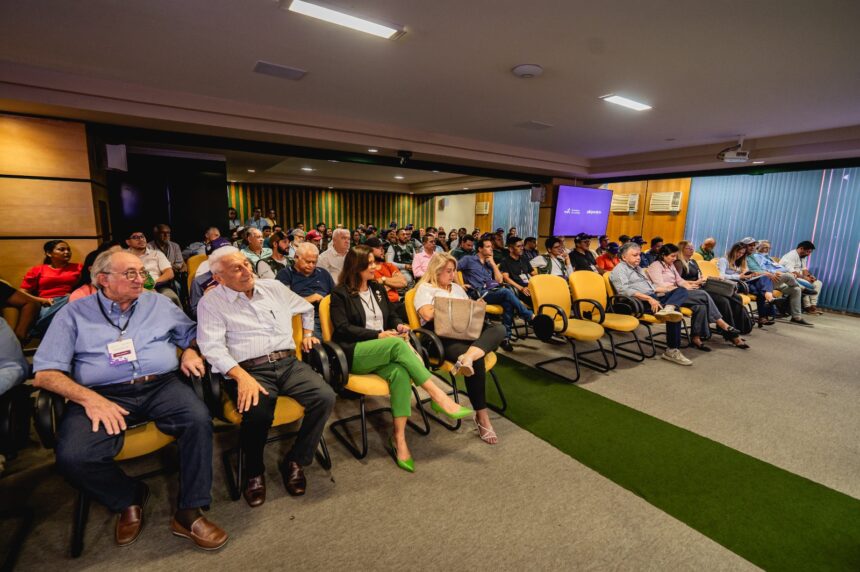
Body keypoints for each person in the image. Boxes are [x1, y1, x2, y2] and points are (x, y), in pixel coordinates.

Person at [32, 250, 227, 550]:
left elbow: (192, 334)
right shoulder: (74, 314)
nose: (142, 279)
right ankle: (129, 496)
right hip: (101, 394)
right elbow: (45, 374)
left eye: (142, 272)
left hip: (159, 385)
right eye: (131, 274)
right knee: (73, 457)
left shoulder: (159, 303)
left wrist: (190, 350)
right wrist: (89, 399)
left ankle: (189, 511)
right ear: (103, 280)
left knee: (198, 420)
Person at [197, 249, 335, 507]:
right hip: (249, 369)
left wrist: (306, 334)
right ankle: (254, 472)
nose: (247, 270)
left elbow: (306, 308)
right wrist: (240, 376)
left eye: (246, 264)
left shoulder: (273, 287)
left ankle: (296, 459)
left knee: (325, 397)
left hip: (288, 362)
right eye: (237, 268)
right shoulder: (212, 302)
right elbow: (211, 347)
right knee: (258, 413)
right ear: (219, 277)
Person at [329, 246, 473, 472]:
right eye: (371, 263)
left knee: (400, 373)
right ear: (356, 268)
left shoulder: (377, 288)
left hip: (385, 350)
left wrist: (398, 325)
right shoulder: (340, 294)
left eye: (375, 262)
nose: (376, 266)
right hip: (355, 353)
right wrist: (377, 335)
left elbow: (392, 313)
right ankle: (437, 395)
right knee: (396, 344)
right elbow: (342, 329)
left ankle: (399, 439)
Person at [414, 254, 505, 442]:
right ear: (436, 271)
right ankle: (482, 417)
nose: (453, 274)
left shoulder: (456, 288)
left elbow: (468, 310)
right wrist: (458, 307)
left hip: (464, 329)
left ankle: (468, 357)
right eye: (448, 271)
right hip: (440, 336)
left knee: (499, 328)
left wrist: (475, 307)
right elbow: (426, 314)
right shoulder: (425, 288)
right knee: (479, 358)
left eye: (454, 270)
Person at [648, 244, 746, 350]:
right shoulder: (655, 266)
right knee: (703, 294)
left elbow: (680, 281)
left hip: (678, 293)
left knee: (701, 306)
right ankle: (722, 323)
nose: (675, 259)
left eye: (676, 256)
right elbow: (659, 286)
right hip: (667, 296)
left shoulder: (670, 265)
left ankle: (696, 338)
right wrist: (679, 288)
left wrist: (688, 286)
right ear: (663, 255)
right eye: (672, 256)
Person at [610, 242, 691, 365]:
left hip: (652, 297)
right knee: (675, 313)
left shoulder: (638, 268)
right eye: (634, 255)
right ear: (624, 257)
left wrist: (670, 289)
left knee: (681, 290)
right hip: (637, 302)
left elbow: (651, 287)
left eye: (639, 255)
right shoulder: (619, 270)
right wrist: (648, 298)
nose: (638, 257)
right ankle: (672, 350)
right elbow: (624, 290)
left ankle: (669, 307)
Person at [458, 237, 534, 351]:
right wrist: (460, 285)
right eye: (488, 247)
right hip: (478, 293)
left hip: (492, 291)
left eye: (491, 246)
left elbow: (499, 280)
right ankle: (529, 315)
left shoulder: (489, 263)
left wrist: (493, 264)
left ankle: (506, 338)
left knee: (507, 302)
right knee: (506, 292)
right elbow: (453, 268)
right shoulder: (468, 259)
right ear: (480, 249)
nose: (491, 249)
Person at [676, 240, 748, 332]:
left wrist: (711, 278)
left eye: (692, 248)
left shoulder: (693, 261)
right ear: (681, 249)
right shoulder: (678, 263)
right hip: (691, 289)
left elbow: (700, 275)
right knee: (723, 301)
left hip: (701, 286)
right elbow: (677, 281)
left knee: (735, 296)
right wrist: (695, 282)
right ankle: (729, 332)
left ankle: (737, 327)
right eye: (688, 248)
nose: (692, 250)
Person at [741, 237, 812, 326]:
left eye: (768, 248)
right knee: (787, 276)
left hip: (773, 279)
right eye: (764, 247)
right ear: (759, 248)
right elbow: (758, 270)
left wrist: (781, 272)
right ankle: (803, 288)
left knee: (796, 290)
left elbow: (777, 267)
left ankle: (796, 317)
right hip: (765, 279)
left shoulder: (767, 258)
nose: (767, 249)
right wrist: (774, 273)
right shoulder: (756, 256)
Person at [21, 239, 83, 337]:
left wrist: (75, 294)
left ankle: (34, 331)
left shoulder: (78, 268)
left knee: (68, 302)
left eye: (68, 249)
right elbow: (22, 292)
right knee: (53, 314)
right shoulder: (38, 270)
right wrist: (41, 300)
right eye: (61, 250)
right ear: (49, 253)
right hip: (47, 302)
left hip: (69, 300)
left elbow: (88, 285)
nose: (67, 252)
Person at [276, 243, 335, 338]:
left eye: (314, 262)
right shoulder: (284, 275)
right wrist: (309, 299)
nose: (311, 265)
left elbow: (335, 296)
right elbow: (282, 304)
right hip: (299, 318)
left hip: (328, 314)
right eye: (308, 262)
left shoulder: (323, 273)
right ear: (296, 257)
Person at [718, 242, 779, 327]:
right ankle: (768, 303)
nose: (740, 255)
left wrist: (751, 274)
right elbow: (721, 276)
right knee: (762, 292)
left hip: (744, 282)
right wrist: (739, 276)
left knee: (765, 276)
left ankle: (769, 298)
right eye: (738, 252)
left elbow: (745, 272)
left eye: (742, 253)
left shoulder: (741, 261)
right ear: (733, 251)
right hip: (732, 284)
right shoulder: (724, 260)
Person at [125, 230, 181, 306]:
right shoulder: (123, 256)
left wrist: (154, 283)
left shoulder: (156, 254)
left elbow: (169, 273)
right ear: (128, 242)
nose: (141, 239)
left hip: (158, 286)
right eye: (135, 237)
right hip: (133, 288)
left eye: (142, 236)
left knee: (171, 297)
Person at [189, 239, 232, 318]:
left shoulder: (241, 273)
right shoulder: (199, 281)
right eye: (222, 254)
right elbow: (195, 313)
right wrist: (205, 300)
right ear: (211, 257)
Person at [780, 240, 824, 314]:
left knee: (818, 283)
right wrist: (805, 278)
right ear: (801, 248)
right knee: (806, 284)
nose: (809, 254)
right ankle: (807, 307)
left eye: (810, 252)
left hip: (800, 276)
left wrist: (809, 276)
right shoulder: (791, 256)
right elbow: (792, 271)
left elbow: (804, 269)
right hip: (790, 277)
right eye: (808, 252)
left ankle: (813, 306)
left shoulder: (803, 256)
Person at [365, 238, 407, 304]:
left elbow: (403, 282)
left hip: (396, 303)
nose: (383, 251)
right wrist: (392, 282)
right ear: (369, 250)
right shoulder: (366, 268)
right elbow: (373, 288)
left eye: (383, 248)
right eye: (379, 248)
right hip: (379, 304)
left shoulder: (388, 265)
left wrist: (383, 280)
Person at [499, 236, 533, 306]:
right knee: (536, 298)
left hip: (530, 285)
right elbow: (506, 278)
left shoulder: (524, 259)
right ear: (511, 249)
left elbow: (533, 273)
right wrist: (521, 288)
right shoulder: (505, 261)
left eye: (522, 246)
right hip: (519, 288)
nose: (522, 248)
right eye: (518, 246)